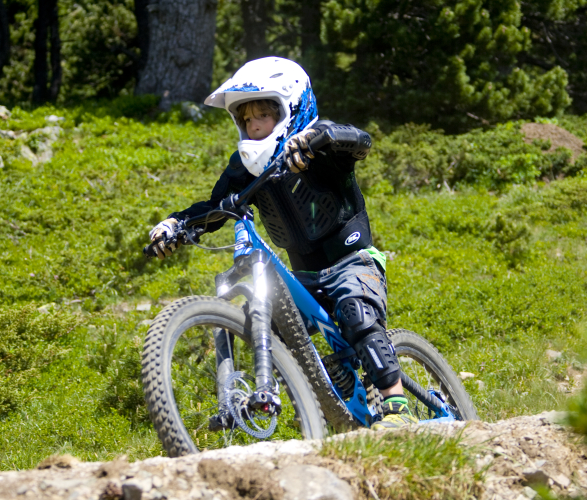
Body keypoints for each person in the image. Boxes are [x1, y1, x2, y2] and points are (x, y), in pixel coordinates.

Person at [148, 57, 416, 429]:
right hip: (305, 273)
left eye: (263, 113)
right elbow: (215, 207)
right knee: (275, 327)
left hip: (353, 260)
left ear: (292, 108)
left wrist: (320, 138)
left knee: (355, 311)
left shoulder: (320, 140)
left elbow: (360, 142)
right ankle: (300, 398)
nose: (253, 124)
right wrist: (176, 224)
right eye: (244, 117)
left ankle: (397, 405)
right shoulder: (243, 168)